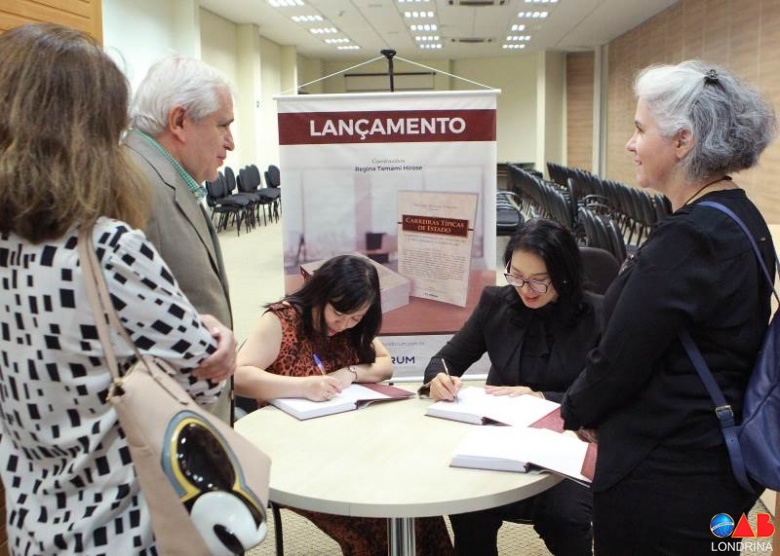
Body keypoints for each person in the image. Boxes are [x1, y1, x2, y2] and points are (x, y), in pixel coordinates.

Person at [0, 23, 236, 554]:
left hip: (35, 523)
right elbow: (200, 383)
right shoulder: (107, 248)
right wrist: (215, 343)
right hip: (122, 525)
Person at [561, 60, 777, 555]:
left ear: (682, 141)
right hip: (711, 459)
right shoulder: (740, 215)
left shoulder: (689, 238)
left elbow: (620, 358)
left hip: (665, 473)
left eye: (640, 129)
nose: (630, 143)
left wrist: (575, 410)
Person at [235, 254, 453, 555]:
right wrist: (302, 386)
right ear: (321, 294)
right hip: (296, 456)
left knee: (415, 504)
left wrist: (350, 372)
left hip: (352, 448)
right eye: (338, 314)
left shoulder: (351, 325)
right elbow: (239, 375)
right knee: (376, 522)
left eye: (356, 318)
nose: (344, 324)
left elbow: (385, 364)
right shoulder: (281, 320)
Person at [423, 219, 601, 556]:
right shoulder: (496, 303)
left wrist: (542, 398)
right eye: (516, 276)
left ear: (563, 275)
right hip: (502, 440)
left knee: (565, 518)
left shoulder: (598, 315)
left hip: (568, 441)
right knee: (467, 504)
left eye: (539, 280)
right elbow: (445, 360)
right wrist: (439, 379)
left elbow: (608, 393)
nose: (526, 289)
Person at [123, 56, 236, 423]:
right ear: (179, 122)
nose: (231, 143)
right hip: (168, 418)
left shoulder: (163, 177)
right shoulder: (131, 184)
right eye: (222, 125)